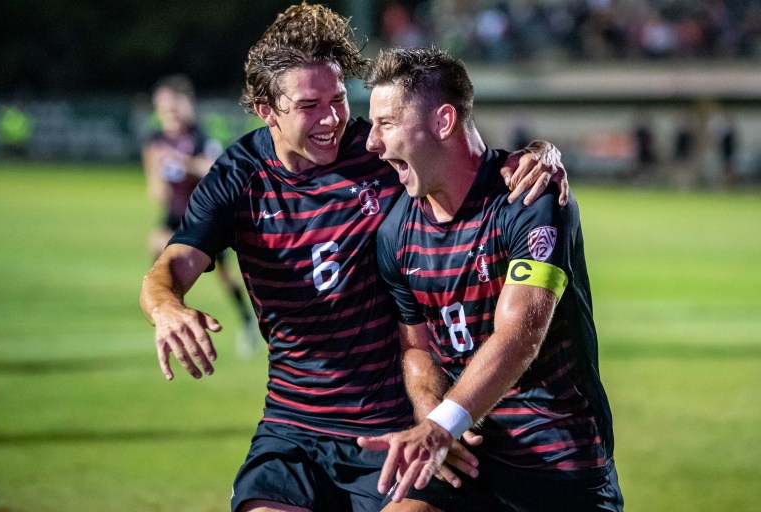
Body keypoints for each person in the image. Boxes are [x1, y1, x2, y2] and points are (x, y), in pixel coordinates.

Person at [139, 4, 568, 512]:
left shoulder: (381, 153)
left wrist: (540, 153)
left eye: (338, 98)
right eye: (309, 105)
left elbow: (464, 161)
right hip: (291, 432)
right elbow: (170, 268)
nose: (332, 118)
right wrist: (166, 306)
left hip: (393, 428)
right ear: (265, 109)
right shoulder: (240, 176)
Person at [357, 47, 622, 511]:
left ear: (443, 122)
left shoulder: (531, 198)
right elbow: (418, 348)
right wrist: (432, 417)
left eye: (387, 123)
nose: (371, 143)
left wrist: (441, 426)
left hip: (558, 460)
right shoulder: (396, 232)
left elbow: (520, 334)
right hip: (465, 457)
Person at [141, 74, 258, 356]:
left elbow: (214, 170)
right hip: (174, 214)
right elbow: (155, 193)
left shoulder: (200, 137)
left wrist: (185, 164)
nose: (169, 112)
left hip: (204, 217)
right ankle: (170, 306)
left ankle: (246, 319)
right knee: (157, 245)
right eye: (163, 107)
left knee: (226, 276)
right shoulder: (155, 142)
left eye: (173, 105)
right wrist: (158, 170)